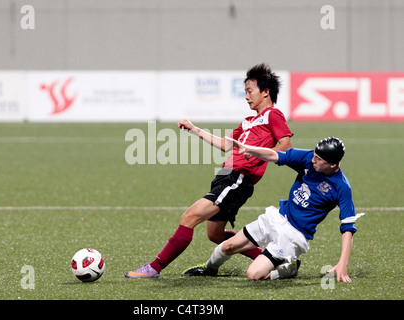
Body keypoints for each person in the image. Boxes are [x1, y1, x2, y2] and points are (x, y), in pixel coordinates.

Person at [125, 63, 293, 278]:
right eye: (245, 92)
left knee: (190, 217)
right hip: (225, 175)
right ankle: (272, 259)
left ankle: (154, 268)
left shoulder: (273, 115)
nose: (246, 96)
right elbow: (226, 145)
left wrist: (261, 152)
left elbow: (285, 145)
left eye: (250, 91)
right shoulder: (248, 121)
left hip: (238, 178)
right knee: (215, 235)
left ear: (265, 91)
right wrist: (195, 129)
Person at [183, 137, 364, 282]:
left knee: (254, 274)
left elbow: (347, 228)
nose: (313, 160)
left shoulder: (342, 187)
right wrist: (250, 149)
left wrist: (342, 264)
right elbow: (277, 156)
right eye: (314, 155)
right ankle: (209, 269)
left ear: (333, 165)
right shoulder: (309, 159)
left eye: (319, 159)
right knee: (226, 246)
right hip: (277, 217)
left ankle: (289, 268)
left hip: (294, 235)